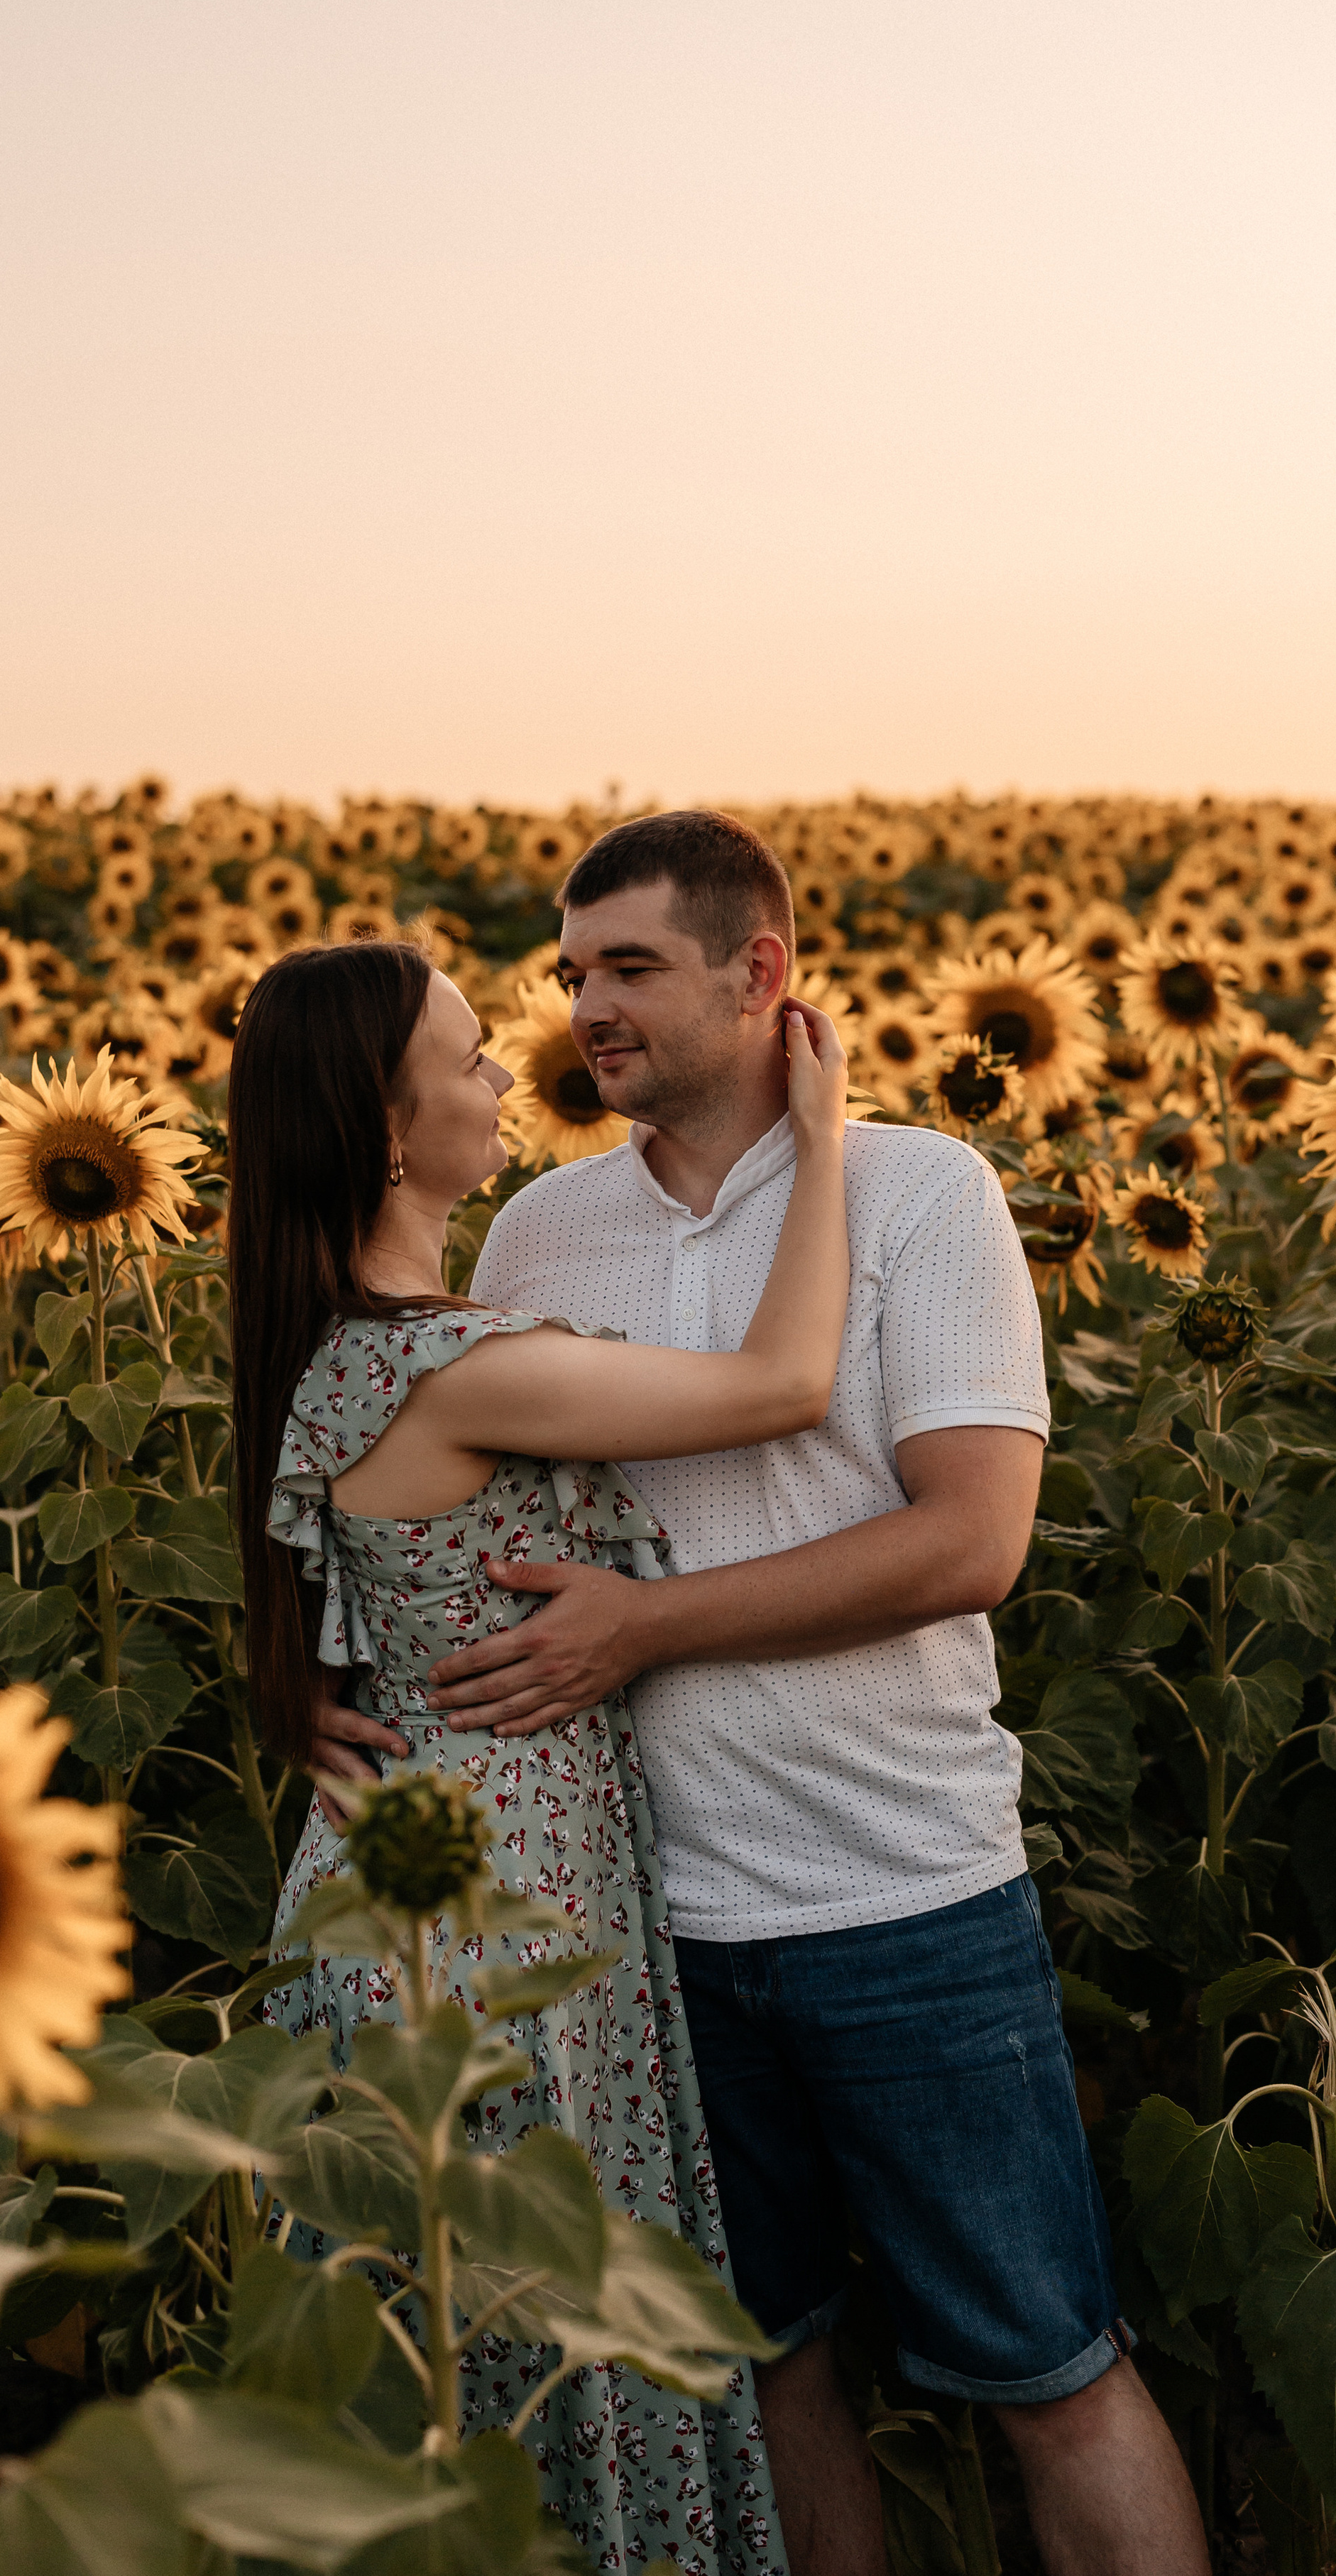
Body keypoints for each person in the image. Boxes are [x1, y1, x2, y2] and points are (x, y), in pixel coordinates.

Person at [314, 812, 1210, 2576]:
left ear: (761, 972)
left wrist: (648, 1628)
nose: (588, 1011)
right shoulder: (540, 1239)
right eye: (572, 975)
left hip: (902, 1893)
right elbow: (440, 1522)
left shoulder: (922, 1189)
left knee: (1048, 2374)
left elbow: (966, 1544)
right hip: (646, 1927)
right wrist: (336, 1700)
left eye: (632, 969)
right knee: (765, 2375)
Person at [229, 933, 852, 2576]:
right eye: (464, 1060)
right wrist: (826, 1135)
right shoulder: (456, 1367)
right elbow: (786, 1384)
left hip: (449, 1889)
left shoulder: (355, 1339)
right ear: (381, 1128)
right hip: (486, 1921)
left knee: (474, 2357)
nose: (509, 1074)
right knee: (532, 2357)